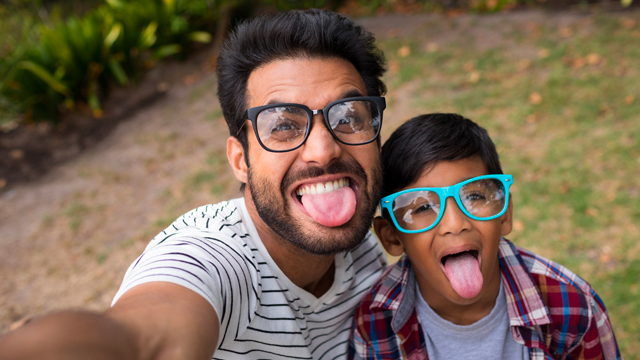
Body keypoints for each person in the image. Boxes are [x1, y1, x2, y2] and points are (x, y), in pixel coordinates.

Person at [0, 9, 388, 360]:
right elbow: (142, 334)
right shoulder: (214, 261)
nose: (324, 150)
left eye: (349, 116)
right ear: (240, 160)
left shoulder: (366, 245)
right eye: (284, 126)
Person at [348, 113, 622, 360]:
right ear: (392, 237)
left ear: (504, 213)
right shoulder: (375, 322)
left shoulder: (574, 307)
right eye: (422, 207)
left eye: (475, 196)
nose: (454, 224)